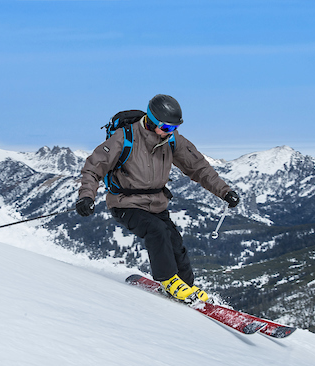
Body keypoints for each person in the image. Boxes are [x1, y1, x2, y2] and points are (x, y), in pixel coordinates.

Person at [76, 94, 239, 303]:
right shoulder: (124, 138)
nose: (170, 133)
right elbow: (93, 167)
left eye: (174, 128)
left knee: (175, 242)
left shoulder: (171, 139)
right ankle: (169, 280)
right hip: (126, 203)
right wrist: (86, 196)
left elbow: (198, 167)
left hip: (156, 203)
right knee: (157, 231)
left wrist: (224, 192)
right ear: (152, 121)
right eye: (167, 128)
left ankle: (187, 286)